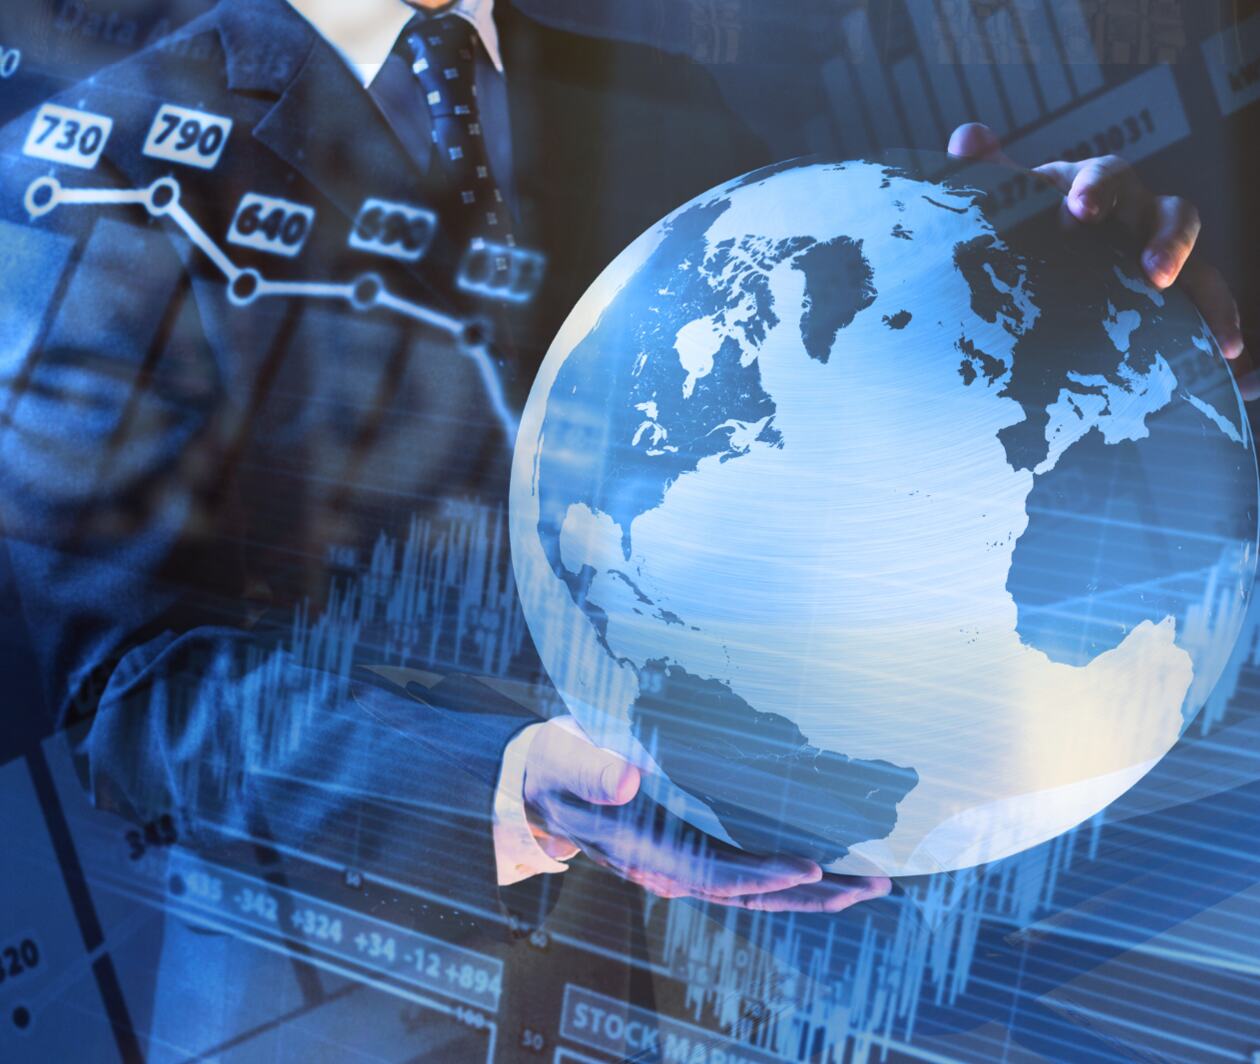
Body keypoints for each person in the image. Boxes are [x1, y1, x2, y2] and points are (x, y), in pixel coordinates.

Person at [0, 0, 1246, 1053]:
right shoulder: (96, 154)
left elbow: (851, 476)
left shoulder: (656, 102)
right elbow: (130, 697)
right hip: (347, 999)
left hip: (735, 987)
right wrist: (514, 790)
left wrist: (1104, 341)